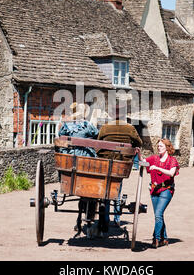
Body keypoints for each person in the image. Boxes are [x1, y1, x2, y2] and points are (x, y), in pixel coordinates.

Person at [97, 104, 143, 234]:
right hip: (121, 165)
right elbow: (139, 143)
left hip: (106, 164)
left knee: (106, 191)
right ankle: (117, 218)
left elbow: (98, 141)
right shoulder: (130, 128)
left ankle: (105, 218)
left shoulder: (105, 128)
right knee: (117, 189)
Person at [58, 102, 99, 237]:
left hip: (70, 162)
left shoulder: (65, 126)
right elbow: (97, 135)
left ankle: (79, 219)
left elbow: (60, 138)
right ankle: (89, 218)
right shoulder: (87, 126)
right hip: (86, 162)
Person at [136, 139, 179, 248]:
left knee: (158, 214)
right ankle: (164, 239)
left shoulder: (172, 160)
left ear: (167, 148)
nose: (159, 148)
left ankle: (156, 239)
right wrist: (138, 153)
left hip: (166, 190)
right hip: (154, 190)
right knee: (158, 215)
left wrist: (156, 167)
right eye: (158, 146)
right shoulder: (154, 158)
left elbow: (171, 173)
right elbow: (142, 162)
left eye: (161, 146)